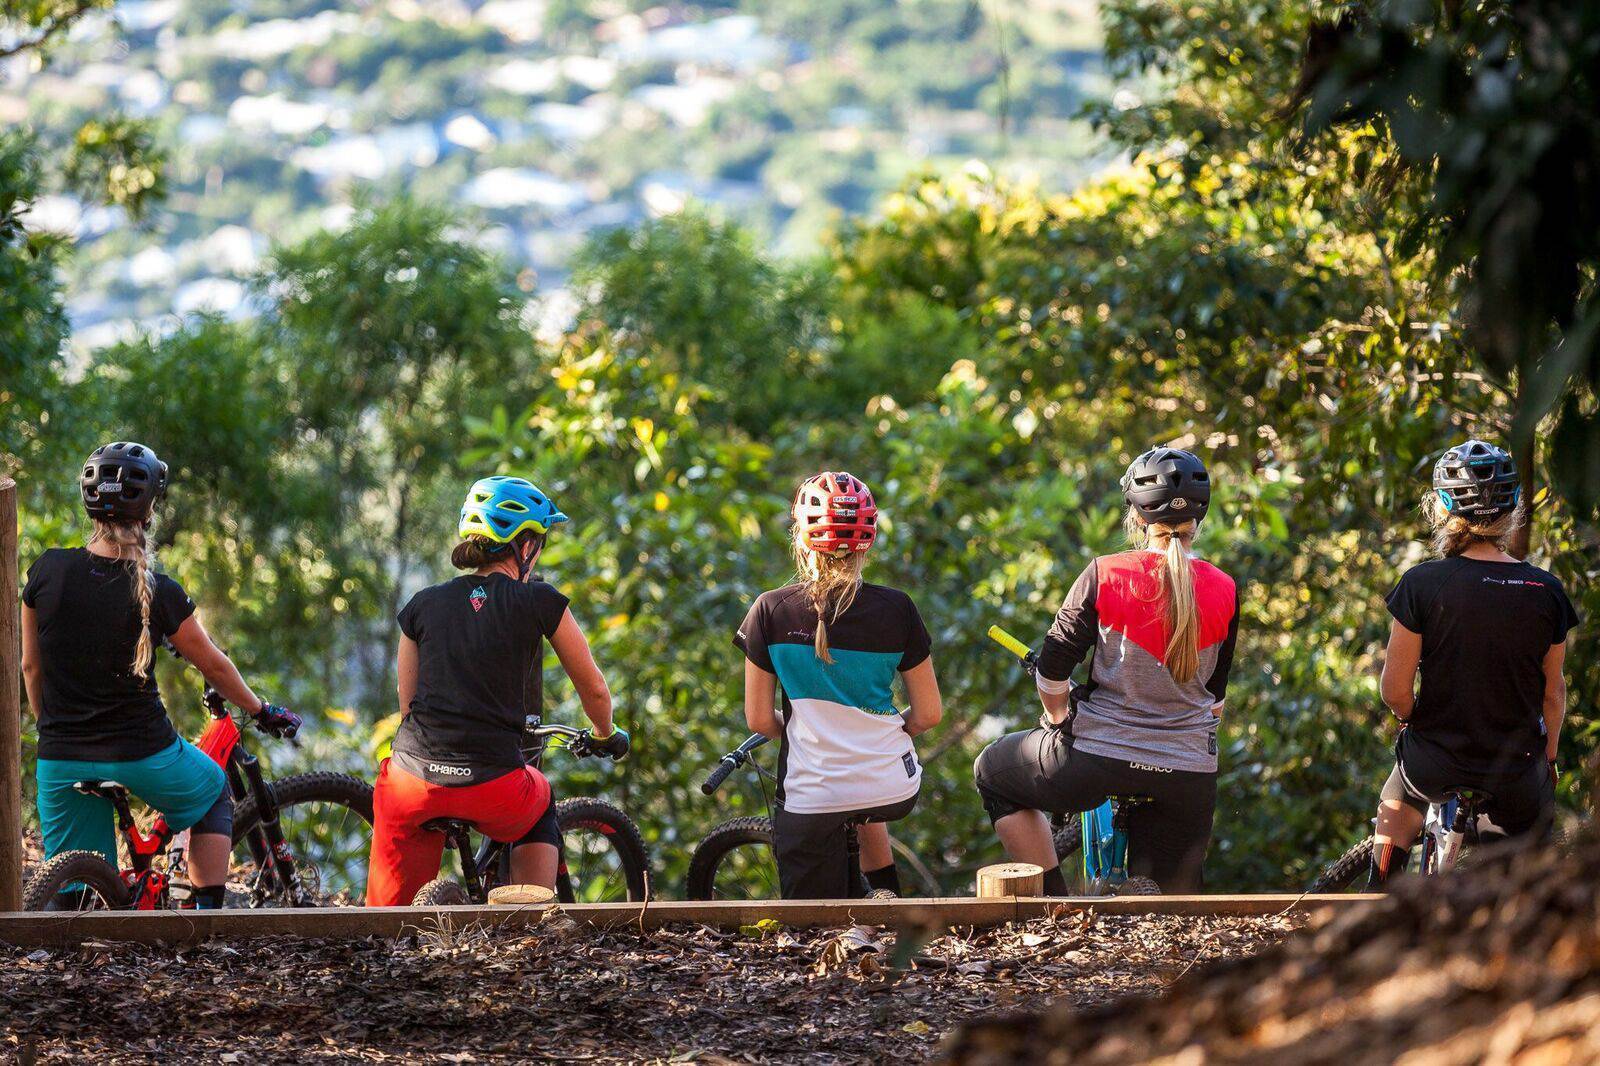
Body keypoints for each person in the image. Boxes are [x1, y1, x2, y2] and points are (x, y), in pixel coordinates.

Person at [19, 441, 300, 909]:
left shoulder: (47, 570)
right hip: (142, 751)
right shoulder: (159, 591)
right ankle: (203, 915)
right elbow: (211, 662)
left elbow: (32, 666)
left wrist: (57, 729)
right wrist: (260, 709)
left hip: (60, 756)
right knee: (213, 793)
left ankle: (73, 948)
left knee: (78, 894)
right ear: (148, 512)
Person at [974, 448, 1238, 894]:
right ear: (1200, 519)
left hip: (1094, 761)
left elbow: (1054, 671)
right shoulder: (1226, 588)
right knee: (1170, 914)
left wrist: (1059, 720)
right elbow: (1214, 702)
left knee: (990, 771)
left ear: (1135, 518)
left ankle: (1053, 905)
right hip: (1189, 777)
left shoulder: (1105, 573)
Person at [366, 475, 627, 907]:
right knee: (540, 800)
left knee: (387, 925)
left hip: (410, 782)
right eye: (539, 541)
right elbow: (595, 690)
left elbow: (408, 705)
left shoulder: (421, 605)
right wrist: (605, 732)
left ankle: (383, 931)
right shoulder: (539, 601)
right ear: (525, 547)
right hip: (494, 784)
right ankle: (526, 926)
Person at [1366, 440, 1578, 887]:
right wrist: (1551, 758)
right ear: (1515, 506)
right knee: (1528, 868)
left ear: (1443, 506)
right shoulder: (1545, 590)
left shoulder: (1422, 583)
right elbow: (1552, 694)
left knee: (1399, 795)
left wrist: (1411, 720)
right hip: (1515, 770)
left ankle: (1377, 896)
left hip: (1434, 761)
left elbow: (1394, 691)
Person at [735, 471, 943, 900]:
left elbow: (757, 718)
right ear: (867, 539)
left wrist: (801, 730)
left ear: (801, 538)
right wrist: (884, 733)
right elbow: (929, 714)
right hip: (894, 786)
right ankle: (885, 906)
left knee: (812, 923)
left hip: (814, 795)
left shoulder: (769, 610)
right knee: (862, 802)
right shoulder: (898, 608)